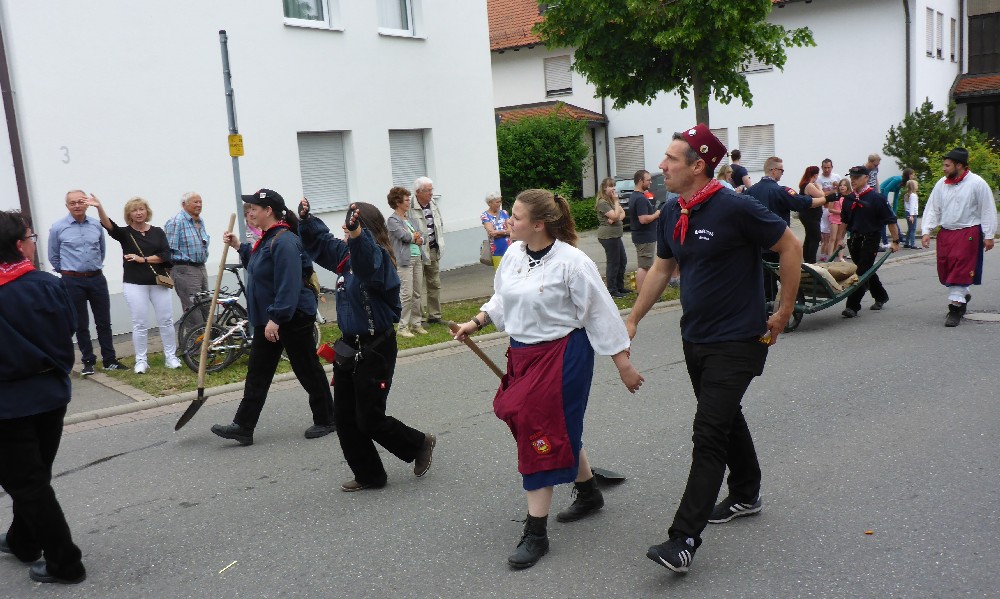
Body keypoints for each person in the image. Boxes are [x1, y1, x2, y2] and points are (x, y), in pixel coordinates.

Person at [625, 124, 802, 575]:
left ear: (698, 165)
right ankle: (746, 492)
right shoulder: (673, 211)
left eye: (671, 159)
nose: (661, 166)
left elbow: (790, 245)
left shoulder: (736, 206)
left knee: (708, 431)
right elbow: (662, 268)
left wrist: (783, 310)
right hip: (696, 337)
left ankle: (683, 539)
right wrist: (633, 318)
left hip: (739, 339)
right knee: (722, 415)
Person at [452, 189, 643, 570]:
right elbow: (503, 298)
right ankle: (588, 493)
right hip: (523, 354)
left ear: (538, 224)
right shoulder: (513, 254)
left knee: (536, 429)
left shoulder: (573, 262)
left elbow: (601, 314)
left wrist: (623, 364)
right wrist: (476, 322)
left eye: (517, 217)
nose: (509, 221)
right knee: (555, 427)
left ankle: (536, 532)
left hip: (563, 356)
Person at [298, 198, 436, 491]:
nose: (345, 228)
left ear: (365, 227)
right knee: (345, 418)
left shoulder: (378, 258)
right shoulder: (345, 254)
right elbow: (320, 243)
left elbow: (366, 264)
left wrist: (357, 235)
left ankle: (419, 443)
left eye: (352, 224)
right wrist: (306, 221)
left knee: (369, 418)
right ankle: (369, 475)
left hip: (376, 348)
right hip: (349, 347)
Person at [0, 210, 87, 584]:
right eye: (31, 238)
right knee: (34, 477)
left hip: (8, 404)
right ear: (19, 245)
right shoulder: (49, 284)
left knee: (28, 483)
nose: (34, 244)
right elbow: (69, 329)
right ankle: (23, 540)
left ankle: (65, 562)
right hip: (51, 394)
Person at [210, 189, 335, 445]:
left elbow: (289, 284)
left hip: (291, 316)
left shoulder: (285, 240)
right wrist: (239, 247)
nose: (250, 212)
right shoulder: (268, 238)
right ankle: (243, 426)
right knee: (258, 371)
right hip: (270, 318)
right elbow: (260, 267)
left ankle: (328, 418)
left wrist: (277, 318)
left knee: (306, 367)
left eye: (254, 208)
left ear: (269, 211)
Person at [88, 195, 179, 373]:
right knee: (140, 323)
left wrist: (142, 259)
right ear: (129, 214)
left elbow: (165, 255)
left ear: (147, 211)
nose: (138, 213)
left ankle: (171, 357)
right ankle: (141, 360)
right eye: (134, 210)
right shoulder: (125, 233)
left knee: (166, 320)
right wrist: (99, 207)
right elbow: (109, 225)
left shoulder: (158, 232)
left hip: (158, 282)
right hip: (135, 283)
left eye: (141, 209)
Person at [47, 190, 126, 375]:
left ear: (87, 204)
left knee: (104, 321)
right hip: (72, 280)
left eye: (80, 202)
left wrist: (91, 268)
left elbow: (101, 250)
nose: (77, 206)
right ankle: (88, 360)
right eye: (72, 203)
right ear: (67, 206)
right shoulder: (58, 227)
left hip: (96, 278)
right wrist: (68, 272)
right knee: (80, 323)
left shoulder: (96, 225)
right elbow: (53, 256)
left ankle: (109, 360)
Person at [921, 148, 997, 327]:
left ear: (959, 165)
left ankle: (954, 309)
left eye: (947, 165)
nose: (944, 168)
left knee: (960, 269)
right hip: (946, 233)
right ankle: (962, 294)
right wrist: (926, 230)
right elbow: (933, 208)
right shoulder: (941, 184)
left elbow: (987, 209)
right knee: (946, 269)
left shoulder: (977, 183)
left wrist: (989, 234)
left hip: (968, 232)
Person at [840, 166, 900, 318]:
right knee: (867, 271)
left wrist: (895, 241)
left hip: (871, 239)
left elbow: (891, 221)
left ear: (866, 178)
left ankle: (852, 306)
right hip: (854, 240)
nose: (853, 180)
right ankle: (881, 296)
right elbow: (844, 222)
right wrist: (840, 239)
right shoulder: (848, 199)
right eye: (851, 177)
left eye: (856, 177)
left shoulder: (877, 198)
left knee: (861, 272)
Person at [387, 186, 427, 337]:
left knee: (417, 293)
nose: (409, 202)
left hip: (417, 258)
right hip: (404, 261)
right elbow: (404, 236)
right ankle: (402, 327)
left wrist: (417, 237)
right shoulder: (392, 220)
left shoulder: (409, 219)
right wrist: (414, 237)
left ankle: (417, 324)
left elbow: (422, 236)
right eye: (406, 199)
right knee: (407, 294)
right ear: (398, 202)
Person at [164, 191, 210, 312]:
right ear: (184, 204)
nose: (199, 205)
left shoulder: (200, 221)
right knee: (193, 308)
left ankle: (207, 326)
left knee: (206, 305)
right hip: (185, 269)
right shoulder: (176, 221)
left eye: (200, 202)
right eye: (195, 202)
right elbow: (168, 248)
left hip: (201, 267)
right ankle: (195, 326)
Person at [408, 176, 444, 325]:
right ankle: (419, 318)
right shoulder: (409, 206)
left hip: (433, 249)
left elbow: (439, 223)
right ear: (418, 192)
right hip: (417, 251)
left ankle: (435, 315)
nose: (431, 193)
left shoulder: (433, 203)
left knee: (434, 283)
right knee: (416, 286)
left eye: (431, 190)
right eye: (428, 190)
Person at [595, 177, 628, 297]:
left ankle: (620, 286)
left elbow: (622, 214)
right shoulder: (602, 202)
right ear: (604, 188)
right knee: (613, 262)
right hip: (608, 236)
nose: (613, 188)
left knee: (622, 260)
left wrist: (615, 218)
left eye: (614, 186)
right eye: (610, 186)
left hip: (616, 235)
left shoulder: (611, 201)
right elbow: (615, 215)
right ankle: (612, 289)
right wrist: (616, 202)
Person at [629, 169, 659, 293]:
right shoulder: (640, 199)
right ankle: (642, 293)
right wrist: (656, 214)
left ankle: (644, 291)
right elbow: (643, 219)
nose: (650, 182)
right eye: (648, 180)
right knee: (644, 267)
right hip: (644, 237)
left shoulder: (635, 196)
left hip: (643, 236)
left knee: (645, 265)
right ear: (641, 181)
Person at [797, 166, 825, 263]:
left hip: (809, 215)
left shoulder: (805, 184)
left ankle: (807, 260)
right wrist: (820, 187)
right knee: (816, 237)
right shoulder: (809, 185)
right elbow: (822, 196)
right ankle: (811, 261)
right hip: (810, 216)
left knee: (809, 236)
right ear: (815, 175)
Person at [481, 192, 511, 269]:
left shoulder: (504, 213)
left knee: (512, 272)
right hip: (496, 250)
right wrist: (505, 232)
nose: (499, 204)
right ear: (489, 203)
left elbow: (511, 230)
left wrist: (498, 232)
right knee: (500, 273)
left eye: (500, 201)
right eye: (497, 202)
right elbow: (492, 233)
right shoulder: (485, 216)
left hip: (509, 248)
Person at [827, 178, 851, 262]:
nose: (842, 187)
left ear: (848, 187)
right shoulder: (835, 196)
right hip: (834, 219)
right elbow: (830, 209)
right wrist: (840, 212)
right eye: (840, 185)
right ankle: (830, 256)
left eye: (844, 185)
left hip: (843, 220)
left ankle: (840, 257)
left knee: (840, 238)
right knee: (833, 238)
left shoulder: (849, 197)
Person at [903, 179, 920, 249]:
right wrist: (912, 215)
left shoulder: (907, 195)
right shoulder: (913, 195)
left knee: (910, 229)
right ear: (913, 186)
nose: (917, 186)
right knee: (913, 229)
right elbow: (912, 206)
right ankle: (913, 244)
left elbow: (906, 206)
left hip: (907, 212)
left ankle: (906, 243)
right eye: (916, 185)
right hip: (912, 214)